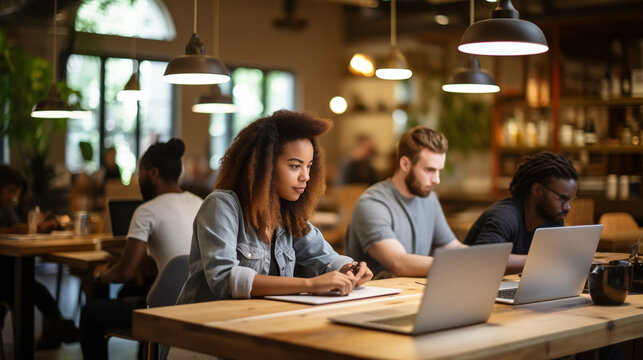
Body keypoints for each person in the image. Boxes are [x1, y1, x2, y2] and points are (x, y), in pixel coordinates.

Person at [176, 110, 372, 307]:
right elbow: (224, 278)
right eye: (295, 166)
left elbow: (327, 258)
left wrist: (349, 269)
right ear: (264, 166)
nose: (306, 176)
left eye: (309, 166)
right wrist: (309, 284)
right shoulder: (221, 205)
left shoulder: (287, 214)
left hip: (254, 321)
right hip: (202, 325)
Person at [79, 138, 203, 360]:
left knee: (90, 314)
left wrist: (99, 275)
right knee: (129, 294)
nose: (138, 179)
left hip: (165, 309)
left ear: (153, 173)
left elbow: (124, 272)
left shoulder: (147, 210)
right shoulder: (200, 203)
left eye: (140, 173)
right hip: (201, 303)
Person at [345, 126, 466, 279]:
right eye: (429, 170)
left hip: (414, 294)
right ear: (405, 164)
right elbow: (399, 263)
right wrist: (463, 264)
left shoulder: (429, 198)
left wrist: (486, 260)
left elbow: (453, 247)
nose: (437, 179)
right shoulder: (371, 203)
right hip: (378, 300)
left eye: (438, 170)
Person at [0, 164, 77, 349]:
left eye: (14, 193)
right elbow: (12, 230)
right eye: (10, 191)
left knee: (24, 286)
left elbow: (16, 231)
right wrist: (11, 230)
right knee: (25, 287)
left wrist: (37, 229)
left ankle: (55, 327)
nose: (12, 197)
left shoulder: (6, 207)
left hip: (7, 267)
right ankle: (57, 325)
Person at [463, 152, 578, 274]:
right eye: (561, 198)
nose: (567, 207)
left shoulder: (553, 220)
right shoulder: (504, 216)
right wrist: (542, 260)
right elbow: (485, 260)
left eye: (570, 199)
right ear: (537, 190)